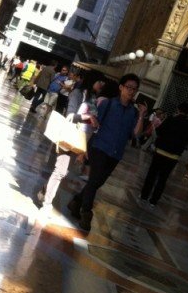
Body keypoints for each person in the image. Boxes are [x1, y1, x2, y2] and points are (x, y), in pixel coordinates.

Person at [68, 73, 147, 233]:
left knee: (97, 182)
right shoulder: (108, 104)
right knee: (94, 179)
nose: (131, 91)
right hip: (99, 148)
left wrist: (141, 116)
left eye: (134, 89)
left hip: (116, 153)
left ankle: (76, 201)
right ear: (121, 87)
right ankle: (86, 212)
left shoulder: (133, 112)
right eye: (128, 87)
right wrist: (83, 150)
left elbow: (136, 134)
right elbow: (92, 125)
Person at [39, 75, 106, 214]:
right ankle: (47, 204)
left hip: (80, 139)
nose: (101, 84)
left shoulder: (93, 97)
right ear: (92, 80)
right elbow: (70, 116)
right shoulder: (77, 93)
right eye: (99, 81)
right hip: (69, 136)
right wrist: (87, 117)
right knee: (60, 171)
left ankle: (45, 190)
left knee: (63, 172)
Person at [138, 102, 188, 207]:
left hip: (160, 152)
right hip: (173, 156)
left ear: (178, 109)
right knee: (163, 179)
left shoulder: (170, 119)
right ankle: (153, 201)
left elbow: (159, 131)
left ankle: (144, 196)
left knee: (151, 175)